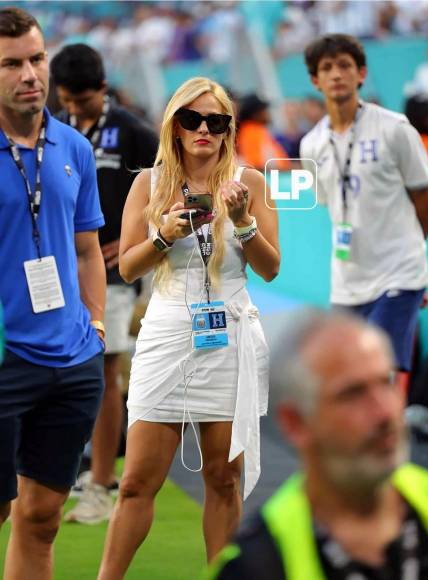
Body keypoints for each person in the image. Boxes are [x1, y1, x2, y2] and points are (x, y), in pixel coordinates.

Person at [97, 76, 280, 578]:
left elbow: (270, 268)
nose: (204, 129)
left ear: (228, 129)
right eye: (192, 119)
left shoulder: (251, 182)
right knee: (135, 481)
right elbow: (129, 267)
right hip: (168, 330)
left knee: (224, 478)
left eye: (216, 121)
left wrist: (243, 221)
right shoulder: (148, 184)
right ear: (174, 126)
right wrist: (164, 237)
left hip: (231, 334)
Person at [208, 309, 428, 579]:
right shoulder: (253, 566)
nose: (385, 413)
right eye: (353, 394)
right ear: (294, 422)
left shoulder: (426, 500)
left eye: (387, 383)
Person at [0, 7, 105, 580]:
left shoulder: (74, 148)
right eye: (12, 64)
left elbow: (88, 249)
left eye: (37, 59)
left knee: (42, 518)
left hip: (72, 358)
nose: (30, 74)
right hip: (5, 358)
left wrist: (96, 326)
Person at [50, 43, 159, 525]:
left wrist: (135, 240)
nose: (73, 109)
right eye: (67, 101)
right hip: (58, 272)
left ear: (103, 89)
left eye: (81, 101)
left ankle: (100, 483)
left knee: (103, 367)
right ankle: (76, 472)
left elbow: (165, 189)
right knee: (65, 367)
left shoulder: (133, 132)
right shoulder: (54, 128)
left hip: (115, 271)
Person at [299, 34, 428, 390]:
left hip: (398, 273)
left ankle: (390, 443)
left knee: (375, 371)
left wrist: (412, 260)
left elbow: (425, 196)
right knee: (349, 375)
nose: (336, 74)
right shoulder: (310, 144)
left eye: (344, 65)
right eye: (327, 68)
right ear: (315, 80)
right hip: (348, 281)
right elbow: (330, 204)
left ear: (361, 73)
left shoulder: (395, 128)